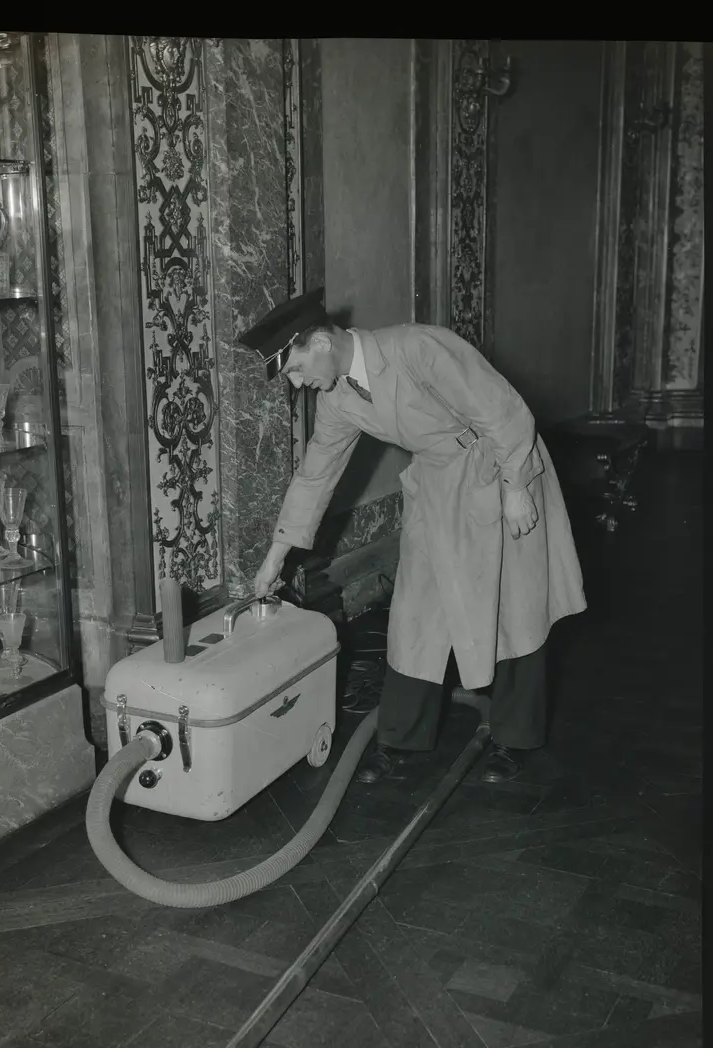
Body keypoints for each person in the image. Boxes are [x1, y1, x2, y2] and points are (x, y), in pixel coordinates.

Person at [239, 289, 587, 785]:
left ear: (320, 342)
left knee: (516, 609)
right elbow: (315, 475)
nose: (298, 383)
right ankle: (401, 739)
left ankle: (514, 739)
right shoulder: (338, 398)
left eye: (295, 369)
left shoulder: (418, 348)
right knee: (414, 611)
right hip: (436, 484)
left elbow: (503, 410)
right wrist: (277, 556)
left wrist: (515, 489)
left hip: (500, 466)